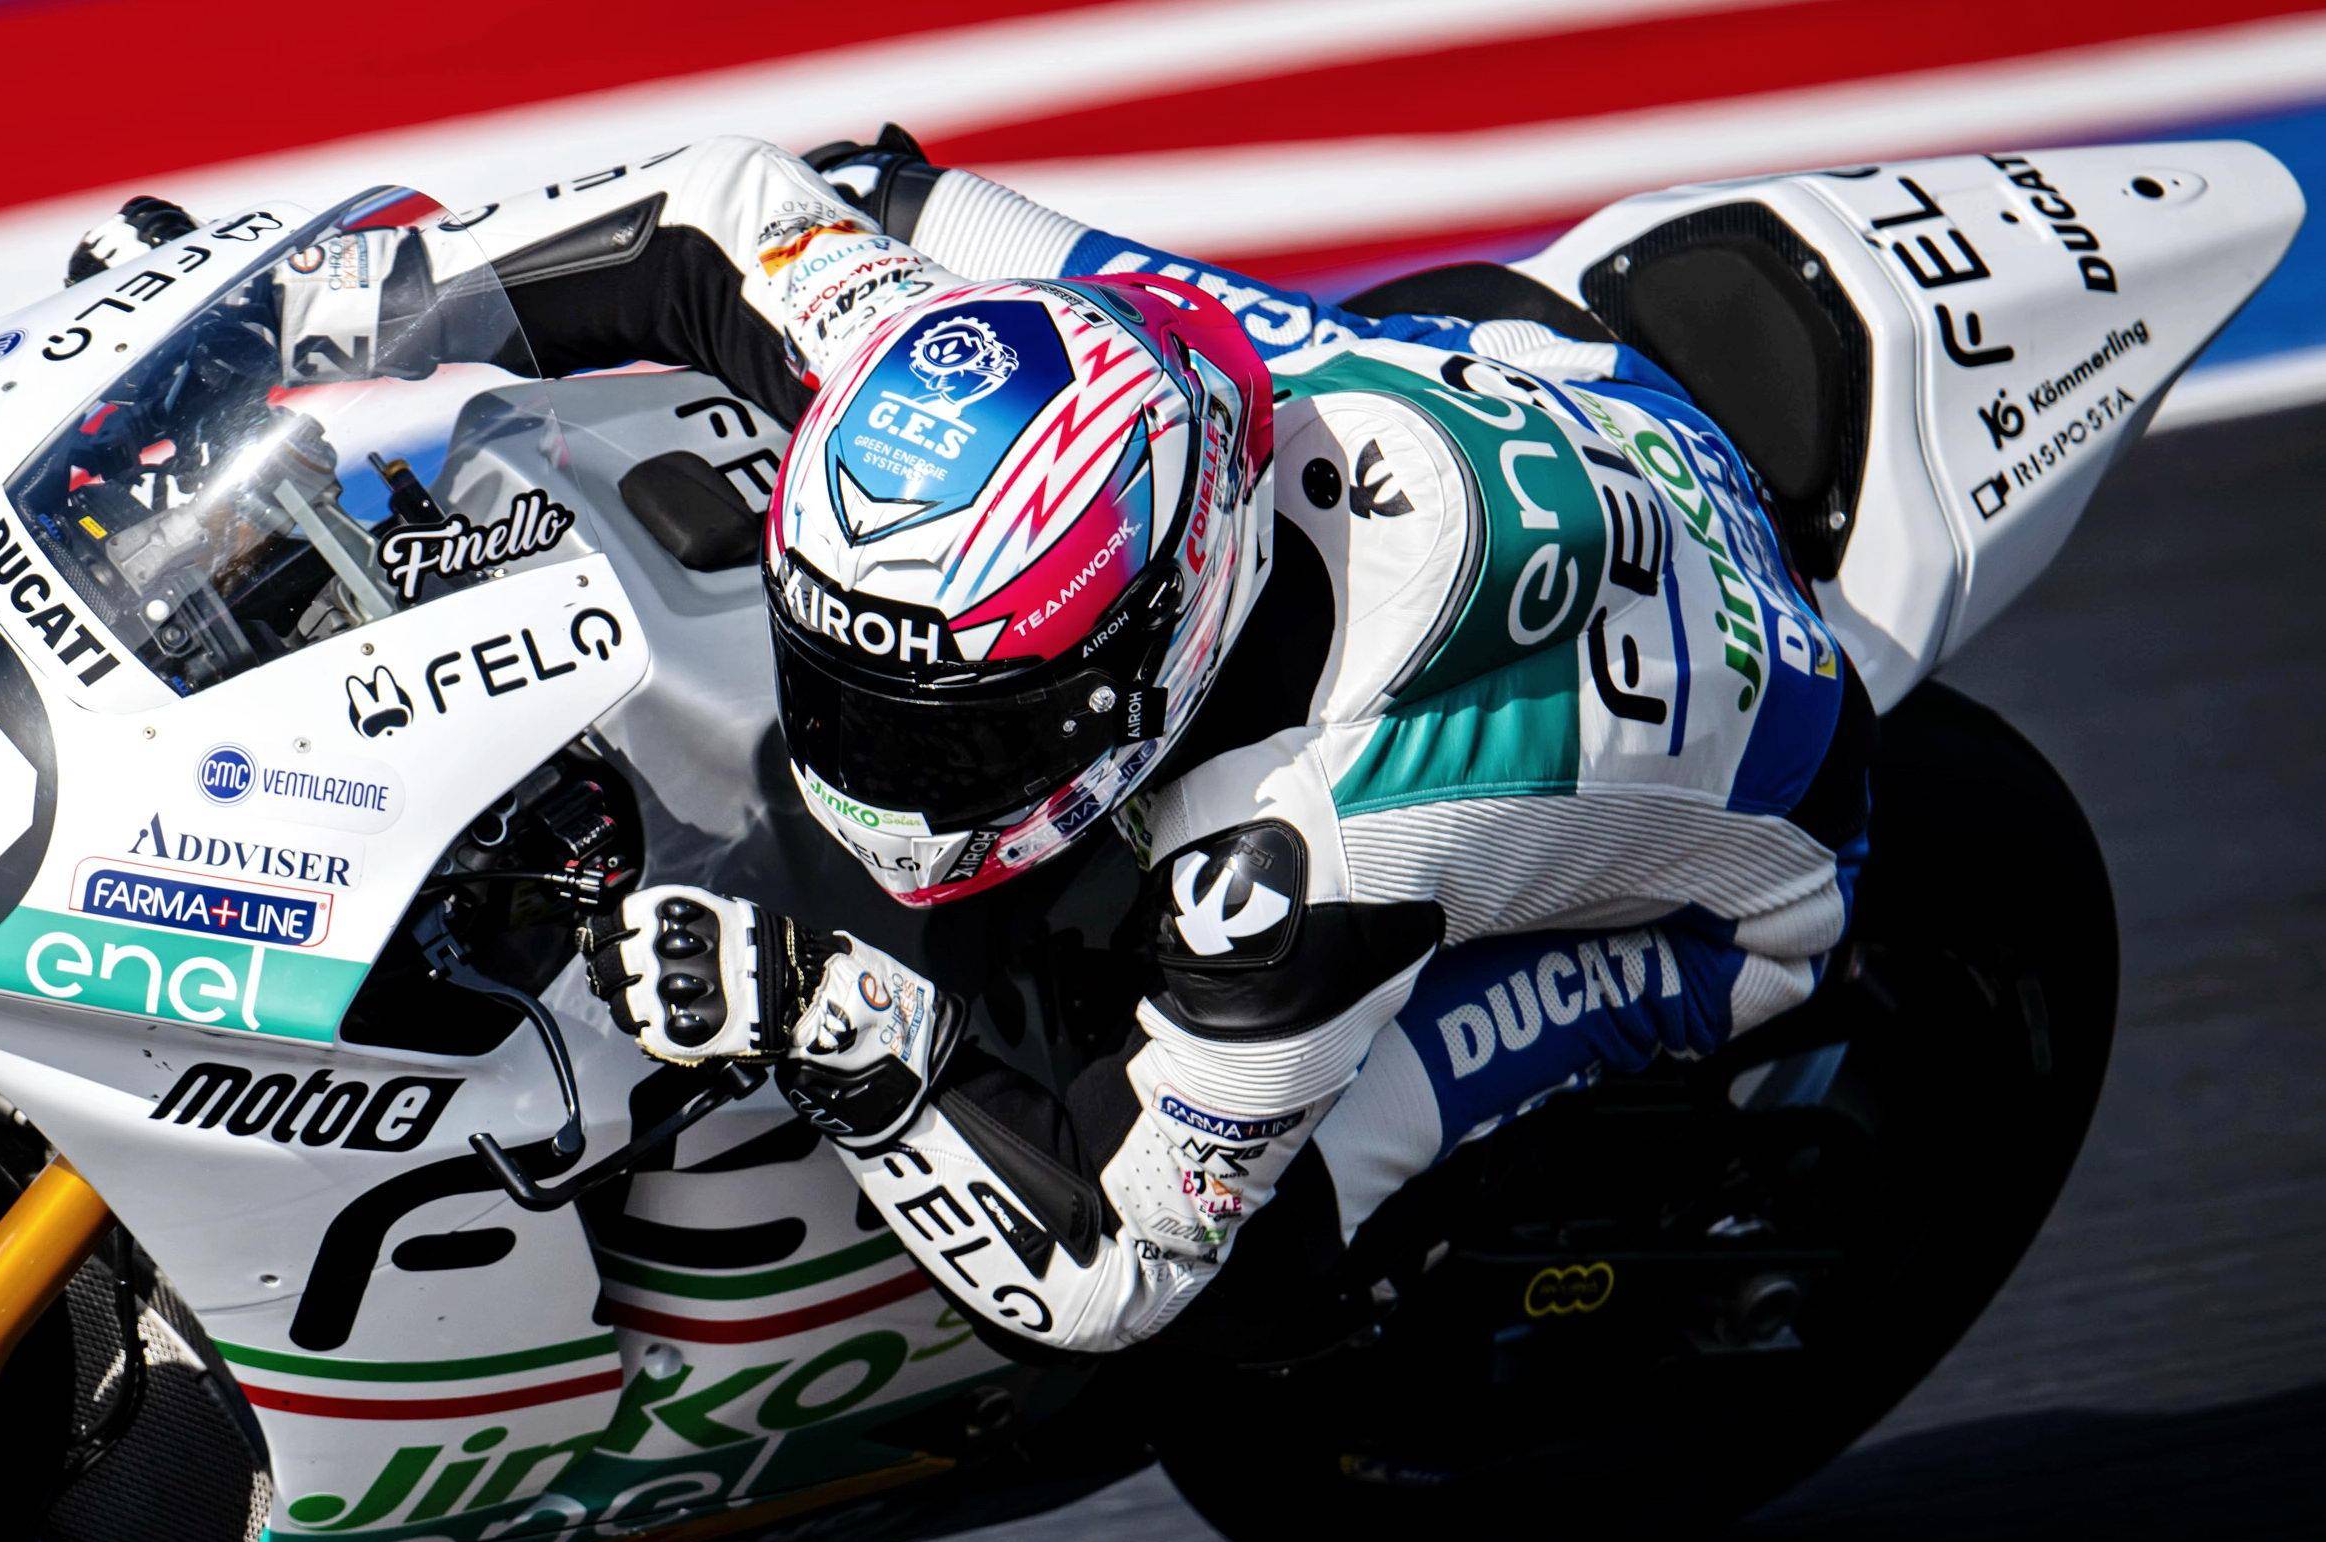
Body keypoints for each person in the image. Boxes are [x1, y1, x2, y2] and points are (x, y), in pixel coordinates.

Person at [141, 134, 1872, 1354]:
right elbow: (723, 209)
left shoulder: (1310, 850)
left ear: (1153, 647)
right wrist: (334, 316)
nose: (874, 764)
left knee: (1257, 1287)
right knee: (858, 198)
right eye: (847, 687)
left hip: (1752, 880)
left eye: (960, 730)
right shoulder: (943, 354)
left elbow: (1117, 1273)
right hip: (1523, 394)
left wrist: (837, 1038)